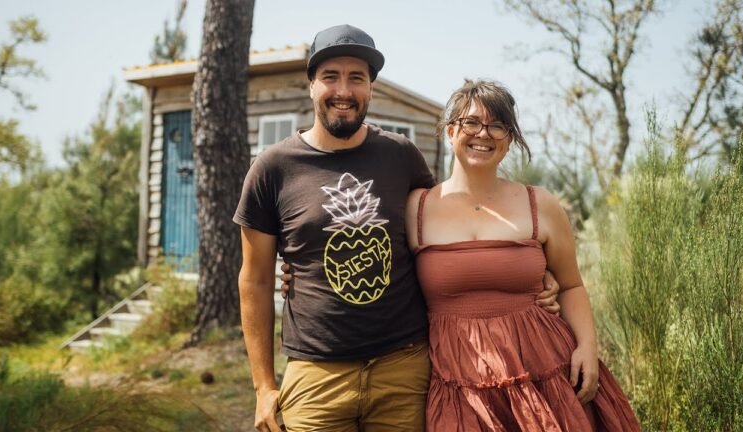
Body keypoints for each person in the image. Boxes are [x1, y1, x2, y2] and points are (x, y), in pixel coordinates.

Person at [235, 25, 559, 432]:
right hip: (317, 372)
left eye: (357, 78)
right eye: (331, 76)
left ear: (371, 89)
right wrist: (264, 387)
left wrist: (532, 272)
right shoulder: (272, 168)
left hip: (404, 367)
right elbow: (256, 280)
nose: (344, 90)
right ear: (311, 85)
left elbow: (447, 227)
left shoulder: (401, 156)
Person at [405, 79, 640, 431]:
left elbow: (571, 285)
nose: (483, 134)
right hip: (458, 380)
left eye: (497, 125)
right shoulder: (417, 208)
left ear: (510, 139)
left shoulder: (540, 205)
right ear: (450, 131)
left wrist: (587, 348)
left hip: (546, 373)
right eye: (471, 123)